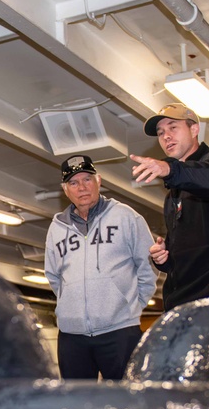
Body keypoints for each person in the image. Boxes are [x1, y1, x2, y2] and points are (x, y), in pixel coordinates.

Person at [130, 103, 209, 310]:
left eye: (173, 127)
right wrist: (164, 257)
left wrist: (170, 168)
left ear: (194, 129)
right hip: (182, 303)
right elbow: (182, 256)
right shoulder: (173, 196)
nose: (166, 136)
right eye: (161, 132)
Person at [45, 154, 157, 380]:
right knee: (77, 406)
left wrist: (130, 306)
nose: (82, 188)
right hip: (72, 336)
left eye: (87, 179)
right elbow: (54, 276)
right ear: (65, 190)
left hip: (120, 331)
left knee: (126, 401)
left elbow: (148, 265)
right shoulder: (56, 229)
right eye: (74, 183)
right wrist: (72, 305)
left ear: (99, 181)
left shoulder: (126, 217)